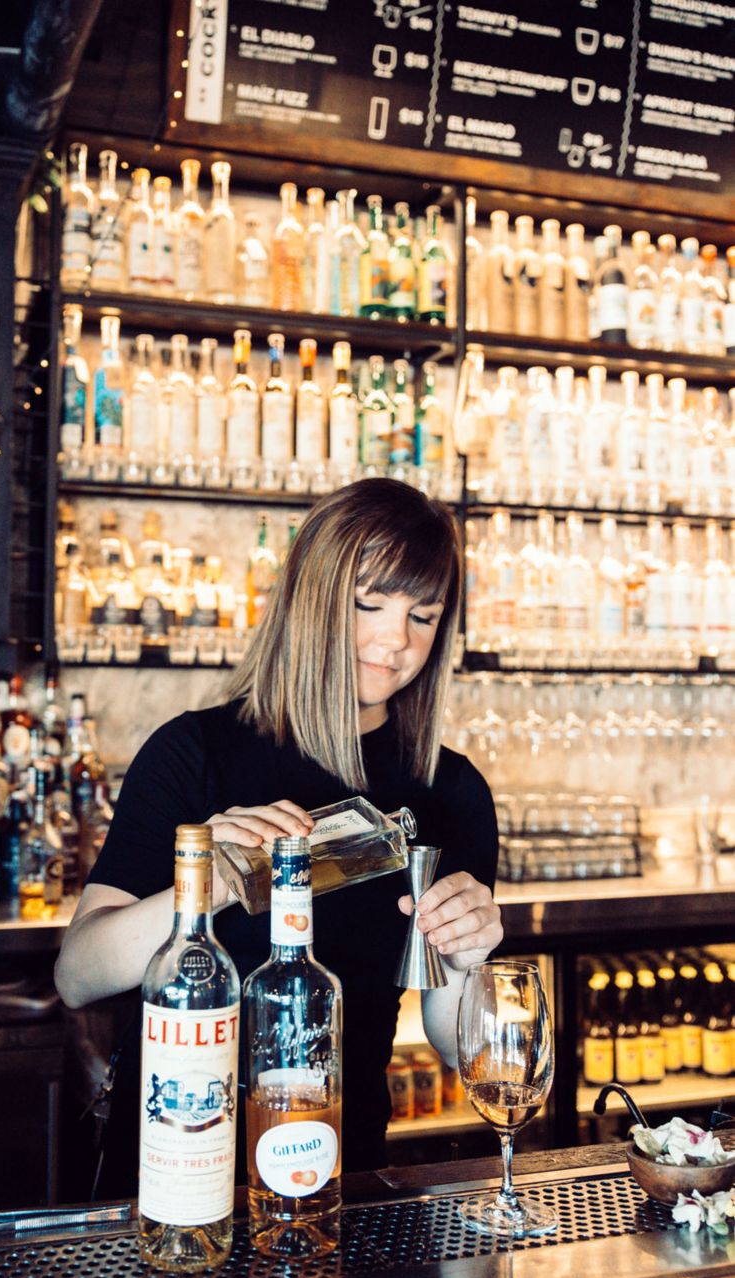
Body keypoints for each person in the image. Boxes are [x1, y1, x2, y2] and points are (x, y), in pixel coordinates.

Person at [55, 478, 502, 1192]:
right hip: (173, 1172)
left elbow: (457, 1046)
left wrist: (471, 956)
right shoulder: (192, 753)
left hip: (342, 1173)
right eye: (368, 604)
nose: (396, 641)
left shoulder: (448, 792)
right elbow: (78, 974)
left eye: (423, 615)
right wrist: (213, 882)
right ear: (311, 597)